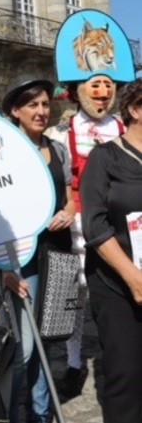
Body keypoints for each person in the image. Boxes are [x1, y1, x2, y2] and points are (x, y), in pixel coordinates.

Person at [45, 9, 135, 397]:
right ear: (78, 90)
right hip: (74, 227)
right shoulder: (60, 133)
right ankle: (72, 363)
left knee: (114, 296)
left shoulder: (124, 131)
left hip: (117, 231)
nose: (102, 92)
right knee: (69, 301)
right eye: (94, 85)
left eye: (107, 85)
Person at [0, 75, 74, 423]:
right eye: (33, 104)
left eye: (45, 103)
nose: (42, 111)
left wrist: (68, 212)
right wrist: (5, 270)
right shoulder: (3, 156)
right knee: (25, 348)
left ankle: (41, 414)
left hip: (59, 255)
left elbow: (72, 200)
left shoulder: (58, 148)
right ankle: (18, 413)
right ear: (15, 111)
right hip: (23, 259)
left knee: (49, 342)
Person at [80, 79, 142, 423]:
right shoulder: (105, 158)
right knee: (126, 376)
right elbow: (94, 224)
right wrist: (134, 278)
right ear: (134, 110)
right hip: (118, 284)